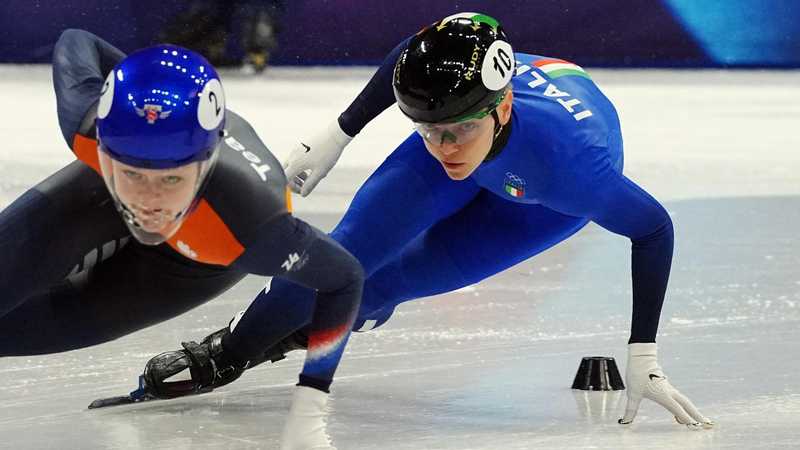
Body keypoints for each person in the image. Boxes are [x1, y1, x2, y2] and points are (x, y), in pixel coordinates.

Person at [149, 12, 715, 430]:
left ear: (504, 106)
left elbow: (654, 228)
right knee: (342, 260)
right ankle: (226, 353)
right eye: (426, 128)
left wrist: (644, 352)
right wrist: (340, 133)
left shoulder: (573, 171)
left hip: (538, 206)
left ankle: (294, 331)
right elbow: (411, 52)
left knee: (389, 283)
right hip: (510, 137)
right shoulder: (453, 109)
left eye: (456, 130)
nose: (443, 147)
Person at [0, 28, 364, 450]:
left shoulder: (253, 225)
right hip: (102, 194)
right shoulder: (90, 125)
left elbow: (344, 278)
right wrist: (146, 89)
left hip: (194, 262)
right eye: (133, 175)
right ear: (102, 147)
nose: (149, 203)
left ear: (206, 165)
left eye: (172, 179)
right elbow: (76, 40)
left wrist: (310, 408)